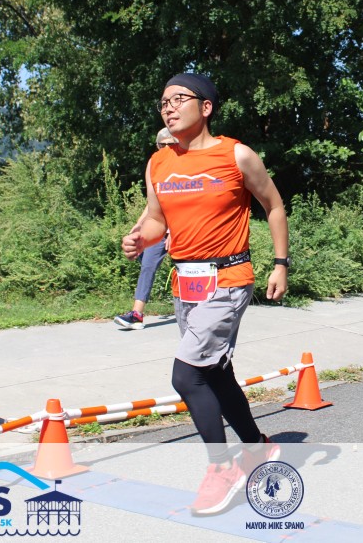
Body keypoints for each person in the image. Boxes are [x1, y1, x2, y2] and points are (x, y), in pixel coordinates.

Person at [121, 72, 290, 516]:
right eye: (164, 103)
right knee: (214, 373)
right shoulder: (158, 163)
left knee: (187, 376)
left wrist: (280, 263)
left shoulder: (236, 155)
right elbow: (156, 220)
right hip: (186, 282)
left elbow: (273, 205)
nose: (169, 108)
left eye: (179, 99)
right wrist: (140, 238)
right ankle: (256, 447)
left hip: (228, 278)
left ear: (206, 107)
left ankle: (223, 467)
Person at [113, 128, 177, 330]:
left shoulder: (184, 165)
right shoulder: (155, 165)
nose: (166, 148)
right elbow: (153, 202)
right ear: (157, 146)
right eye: (162, 145)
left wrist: (173, 232)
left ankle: (204, 306)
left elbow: (185, 203)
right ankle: (137, 314)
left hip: (180, 228)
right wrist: (140, 223)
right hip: (158, 228)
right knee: (147, 264)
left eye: (170, 144)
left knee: (188, 267)